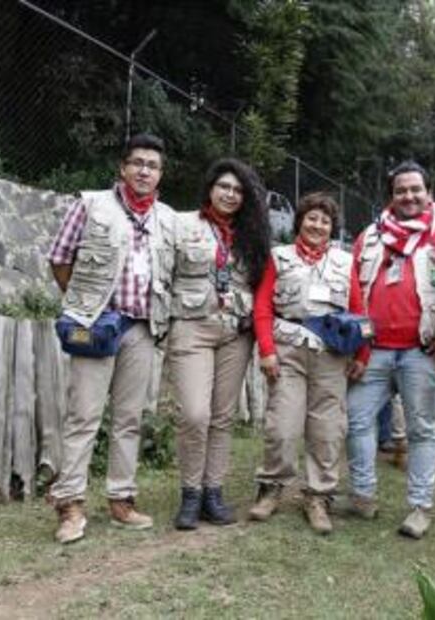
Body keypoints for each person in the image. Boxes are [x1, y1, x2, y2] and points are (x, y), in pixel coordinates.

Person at [46, 133, 176, 544]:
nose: (144, 170)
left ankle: (121, 498)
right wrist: (83, 304)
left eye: (152, 165)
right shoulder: (91, 204)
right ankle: (70, 503)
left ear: (160, 174)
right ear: (122, 168)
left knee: (129, 419)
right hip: (96, 325)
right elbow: (60, 258)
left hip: (141, 327)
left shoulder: (166, 218)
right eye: (137, 162)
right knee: (83, 414)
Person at [344, 160, 435, 539]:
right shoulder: (370, 235)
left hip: (421, 351)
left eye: (416, 189)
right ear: (391, 196)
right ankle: (363, 496)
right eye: (401, 190)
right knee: (357, 421)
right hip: (374, 350)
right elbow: (352, 291)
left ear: (429, 193)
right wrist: (355, 346)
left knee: (422, 430)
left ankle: (420, 507)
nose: (409, 196)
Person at [248, 192, 366, 534]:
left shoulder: (345, 261)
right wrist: (267, 350)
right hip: (288, 349)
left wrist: (362, 354)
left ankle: (318, 495)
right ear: (300, 221)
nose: (317, 225)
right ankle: (271, 486)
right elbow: (262, 307)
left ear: (333, 227)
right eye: (312, 218)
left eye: (325, 221)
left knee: (327, 429)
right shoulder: (279, 257)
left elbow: (359, 311)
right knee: (282, 425)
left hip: (332, 354)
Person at [167, 158, 271, 530]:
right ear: (210, 188)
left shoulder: (252, 235)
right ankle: (190, 493)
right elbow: (163, 273)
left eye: (238, 189)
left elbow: (262, 288)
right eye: (223, 186)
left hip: (235, 333)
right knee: (195, 413)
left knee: (223, 416)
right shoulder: (181, 224)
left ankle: (213, 492)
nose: (230, 194)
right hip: (192, 326)